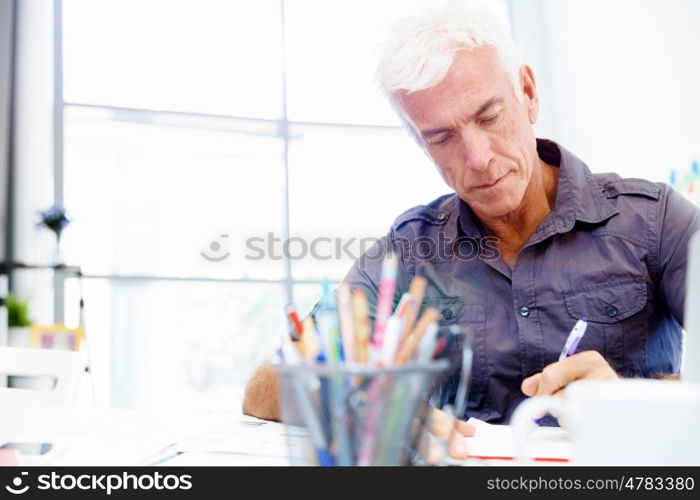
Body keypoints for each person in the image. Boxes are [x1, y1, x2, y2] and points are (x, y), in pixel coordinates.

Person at [242, 0, 700, 455]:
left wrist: (631, 399)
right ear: (422, 145)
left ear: (527, 92)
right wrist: (366, 403)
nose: (479, 158)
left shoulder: (657, 221)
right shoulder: (410, 251)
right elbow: (265, 386)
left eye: (489, 116)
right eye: (442, 138)